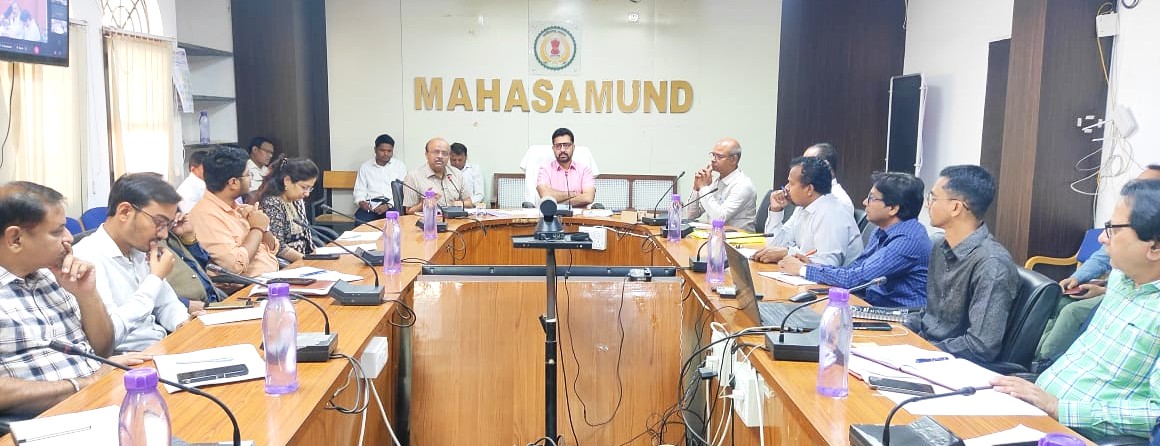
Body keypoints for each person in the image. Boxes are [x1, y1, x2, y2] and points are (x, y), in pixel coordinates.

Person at [992, 179, 1160, 441]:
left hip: (1077, 433)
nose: (1102, 238)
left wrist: (1059, 408)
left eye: (1113, 230)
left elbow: (1156, 414)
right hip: (1037, 409)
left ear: (1155, 247)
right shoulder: (1122, 279)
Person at [0, 181, 114, 420]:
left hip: (99, 398)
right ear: (15, 239)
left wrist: (87, 295)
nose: (69, 238)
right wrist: (83, 384)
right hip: (47, 421)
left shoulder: (51, 276)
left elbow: (103, 350)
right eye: (57, 231)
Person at [1036, 164, 1160, 364]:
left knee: (1071, 312)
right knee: (1058, 300)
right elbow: (1100, 258)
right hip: (1109, 288)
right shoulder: (1120, 252)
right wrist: (1076, 278)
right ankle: (1033, 354)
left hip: (1109, 291)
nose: (1103, 237)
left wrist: (1101, 291)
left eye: (1147, 186)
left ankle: (1044, 360)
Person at [72, 173, 193, 353]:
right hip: (126, 360)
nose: (163, 234)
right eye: (159, 223)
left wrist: (182, 322)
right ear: (124, 212)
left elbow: (166, 304)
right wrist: (155, 279)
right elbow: (108, 337)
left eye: (168, 225)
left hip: (161, 347)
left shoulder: (139, 249)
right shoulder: (87, 257)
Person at [778, 172, 930, 307]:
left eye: (871, 198)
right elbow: (854, 270)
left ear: (893, 208)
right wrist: (812, 265)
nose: (864, 202)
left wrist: (802, 269)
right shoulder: (882, 230)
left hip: (899, 317)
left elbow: (855, 279)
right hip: (871, 304)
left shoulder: (908, 240)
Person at [918, 165, 1017, 365]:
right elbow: (929, 318)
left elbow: (980, 346)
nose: (928, 205)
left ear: (955, 207)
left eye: (933, 198)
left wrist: (920, 350)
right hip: (924, 350)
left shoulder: (992, 264)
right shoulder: (939, 246)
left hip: (952, 364)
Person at [752, 156, 862, 267]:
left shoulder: (832, 213)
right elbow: (775, 246)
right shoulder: (802, 208)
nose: (786, 188)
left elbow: (828, 264)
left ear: (809, 189)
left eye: (791, 184)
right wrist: (776, 210)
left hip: (837, 278)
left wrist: (787, 253)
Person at [189, 146, 281, 276]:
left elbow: (273, 248)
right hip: (249, 286)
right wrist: (257, 229)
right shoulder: (206, 216)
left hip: (271, 277)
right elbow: (236, 265)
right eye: (248, 175)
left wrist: (263, 228)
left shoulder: (239, 208)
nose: (251, 179)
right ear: (233, 183)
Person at [684, 138, 757, 232]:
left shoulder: (743, 185)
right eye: (713, 155)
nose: (713, 160)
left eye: (719, 156)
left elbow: (719, 218)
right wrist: (696, 188)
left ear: (733, 160)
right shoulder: (716, 181)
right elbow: (690, 215)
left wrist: (703, 187)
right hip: (715, 236)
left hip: (739, 239)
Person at [257, 158, 320, 263]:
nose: (307, 194)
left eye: (310, 188)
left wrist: (318, 256)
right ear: (287, 181)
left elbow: (306, 238)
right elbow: (278, 247)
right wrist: (307, 260)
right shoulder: (272, 203)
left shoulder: (297, 201)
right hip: (288, 264)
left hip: (305, 259)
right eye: (304, 187)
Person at [402, 138, 474, 214]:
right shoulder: (413, 177)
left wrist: (459, 204)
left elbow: (469, 203)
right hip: (428, 220)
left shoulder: (457, 174)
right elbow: (408, 211)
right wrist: (423, 204)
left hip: (455, 219)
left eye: (444, 153)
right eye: (436, 152)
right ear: (426, 154)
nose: (440, 156)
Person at [353, 134, 407, 222]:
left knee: (394, 223)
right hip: (371, 205)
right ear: (375, 149)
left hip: (391, 204)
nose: (386, 154)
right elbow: (359, 190)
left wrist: (388, 205)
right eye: (382, 150)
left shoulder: (399, 166)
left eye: (389, 151)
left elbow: (402, 191)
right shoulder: (365, 167)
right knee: (360, 222)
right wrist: (361, 202)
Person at [536, 128, 596, 208]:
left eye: (566, 145)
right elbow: (545, 195)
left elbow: (588, 197)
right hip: (553, 214)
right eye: (558, 146)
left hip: (579, 215)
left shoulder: (585, 170)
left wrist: (559, 203)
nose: (562, 150)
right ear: (553, 149)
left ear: (573, 147)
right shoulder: (545, 170)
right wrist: (573, 194)